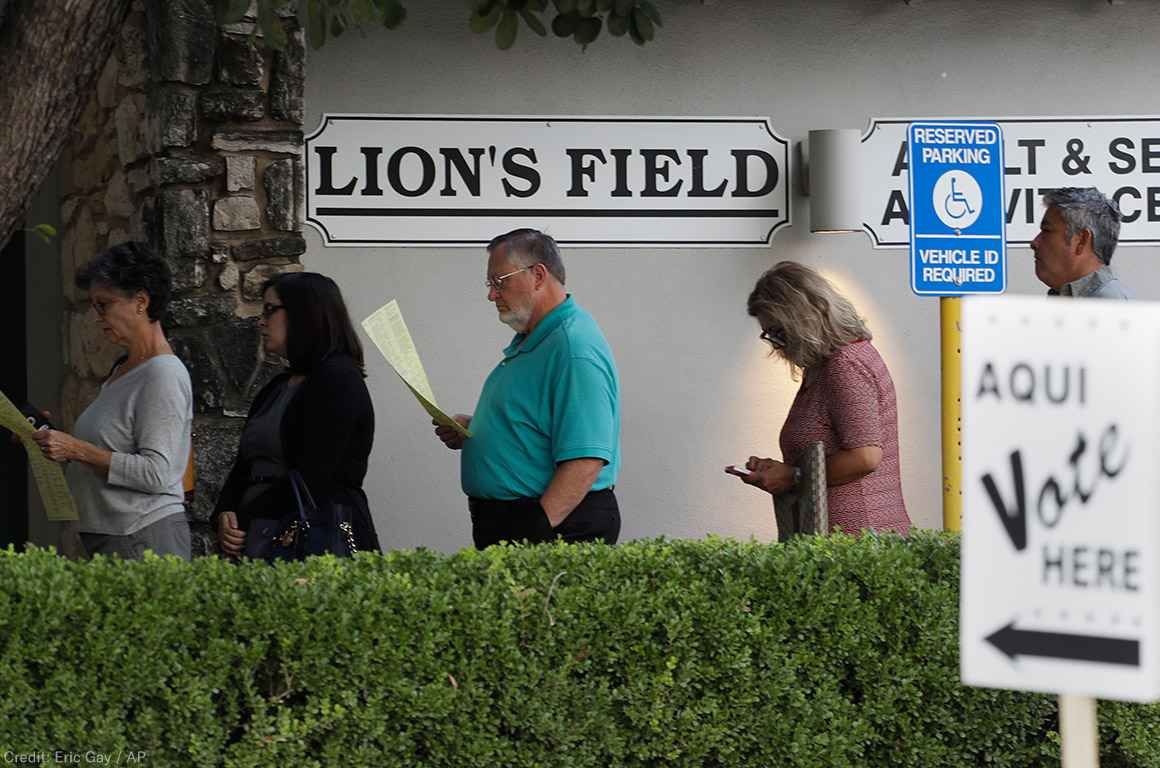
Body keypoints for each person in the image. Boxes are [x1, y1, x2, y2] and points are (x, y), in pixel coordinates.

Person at [434, 229, 621, 549]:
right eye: (490, 284)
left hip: (553, 527)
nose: (492, 295)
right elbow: (538, 421)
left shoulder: (572, 346)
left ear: (537, 275)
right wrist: (479, 430)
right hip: (525, 521)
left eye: (499, 281)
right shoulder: (537, 340)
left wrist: (532, 532)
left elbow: (586, 459)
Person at [30, 242, 193, 559]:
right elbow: (108, 450)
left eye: (104, 305)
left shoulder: (162, 374)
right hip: (119, 536)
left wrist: (76, 448)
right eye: (94, 307)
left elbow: (157, 472)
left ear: (141, 302)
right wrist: (53, 440)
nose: (97, 317)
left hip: (143, 537)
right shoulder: (125, 367)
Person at [725, 261, 911, 537]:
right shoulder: (828, 365)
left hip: (857, 541)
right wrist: (783, 470)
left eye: (777, 333)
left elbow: (865, 457)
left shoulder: (844, 364)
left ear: (802, 320)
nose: (776, 345)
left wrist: (792, 476)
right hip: (845, 538)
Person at [213, 272, 380, 558]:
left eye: (270, 310)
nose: (261, 322)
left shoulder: (339, 379)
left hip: (314, 540)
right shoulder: (278, 386)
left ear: (305, 313)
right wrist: (226, 512)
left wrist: (248, 514)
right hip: (262, 534)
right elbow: (246, 463)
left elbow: (316, 474)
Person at [1031, 187, 1128, 299]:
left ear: (1081, 240)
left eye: (1047, 230)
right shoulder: (1074, 300)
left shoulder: (1109, 308)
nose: (1034, 243)